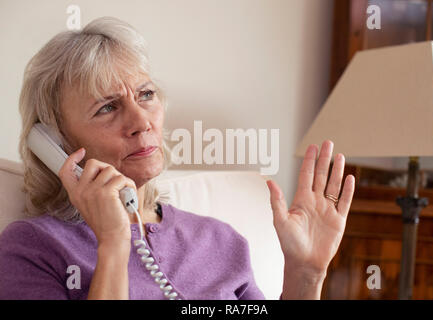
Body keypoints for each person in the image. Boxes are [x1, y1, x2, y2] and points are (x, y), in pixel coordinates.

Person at [0, 17, 355, 300]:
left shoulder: (219, 240)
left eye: (146, 95)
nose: (141, 122)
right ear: (55, 142)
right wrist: (112, 243)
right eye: (107, 107)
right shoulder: (31, 248)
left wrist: (306, 274)